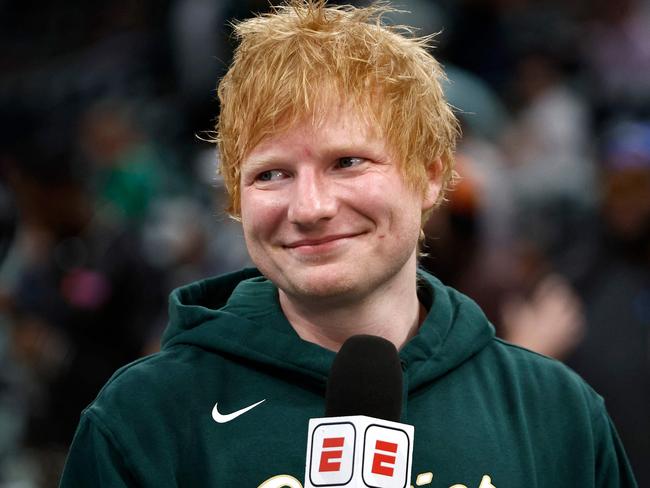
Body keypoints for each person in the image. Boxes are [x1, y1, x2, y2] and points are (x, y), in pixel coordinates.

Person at [60, 1, 638, 486]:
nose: (310, 208)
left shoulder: (557, 413)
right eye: (271, 174)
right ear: (234, 200)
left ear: (431, 175)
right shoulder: (140, 420)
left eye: (348, 162)